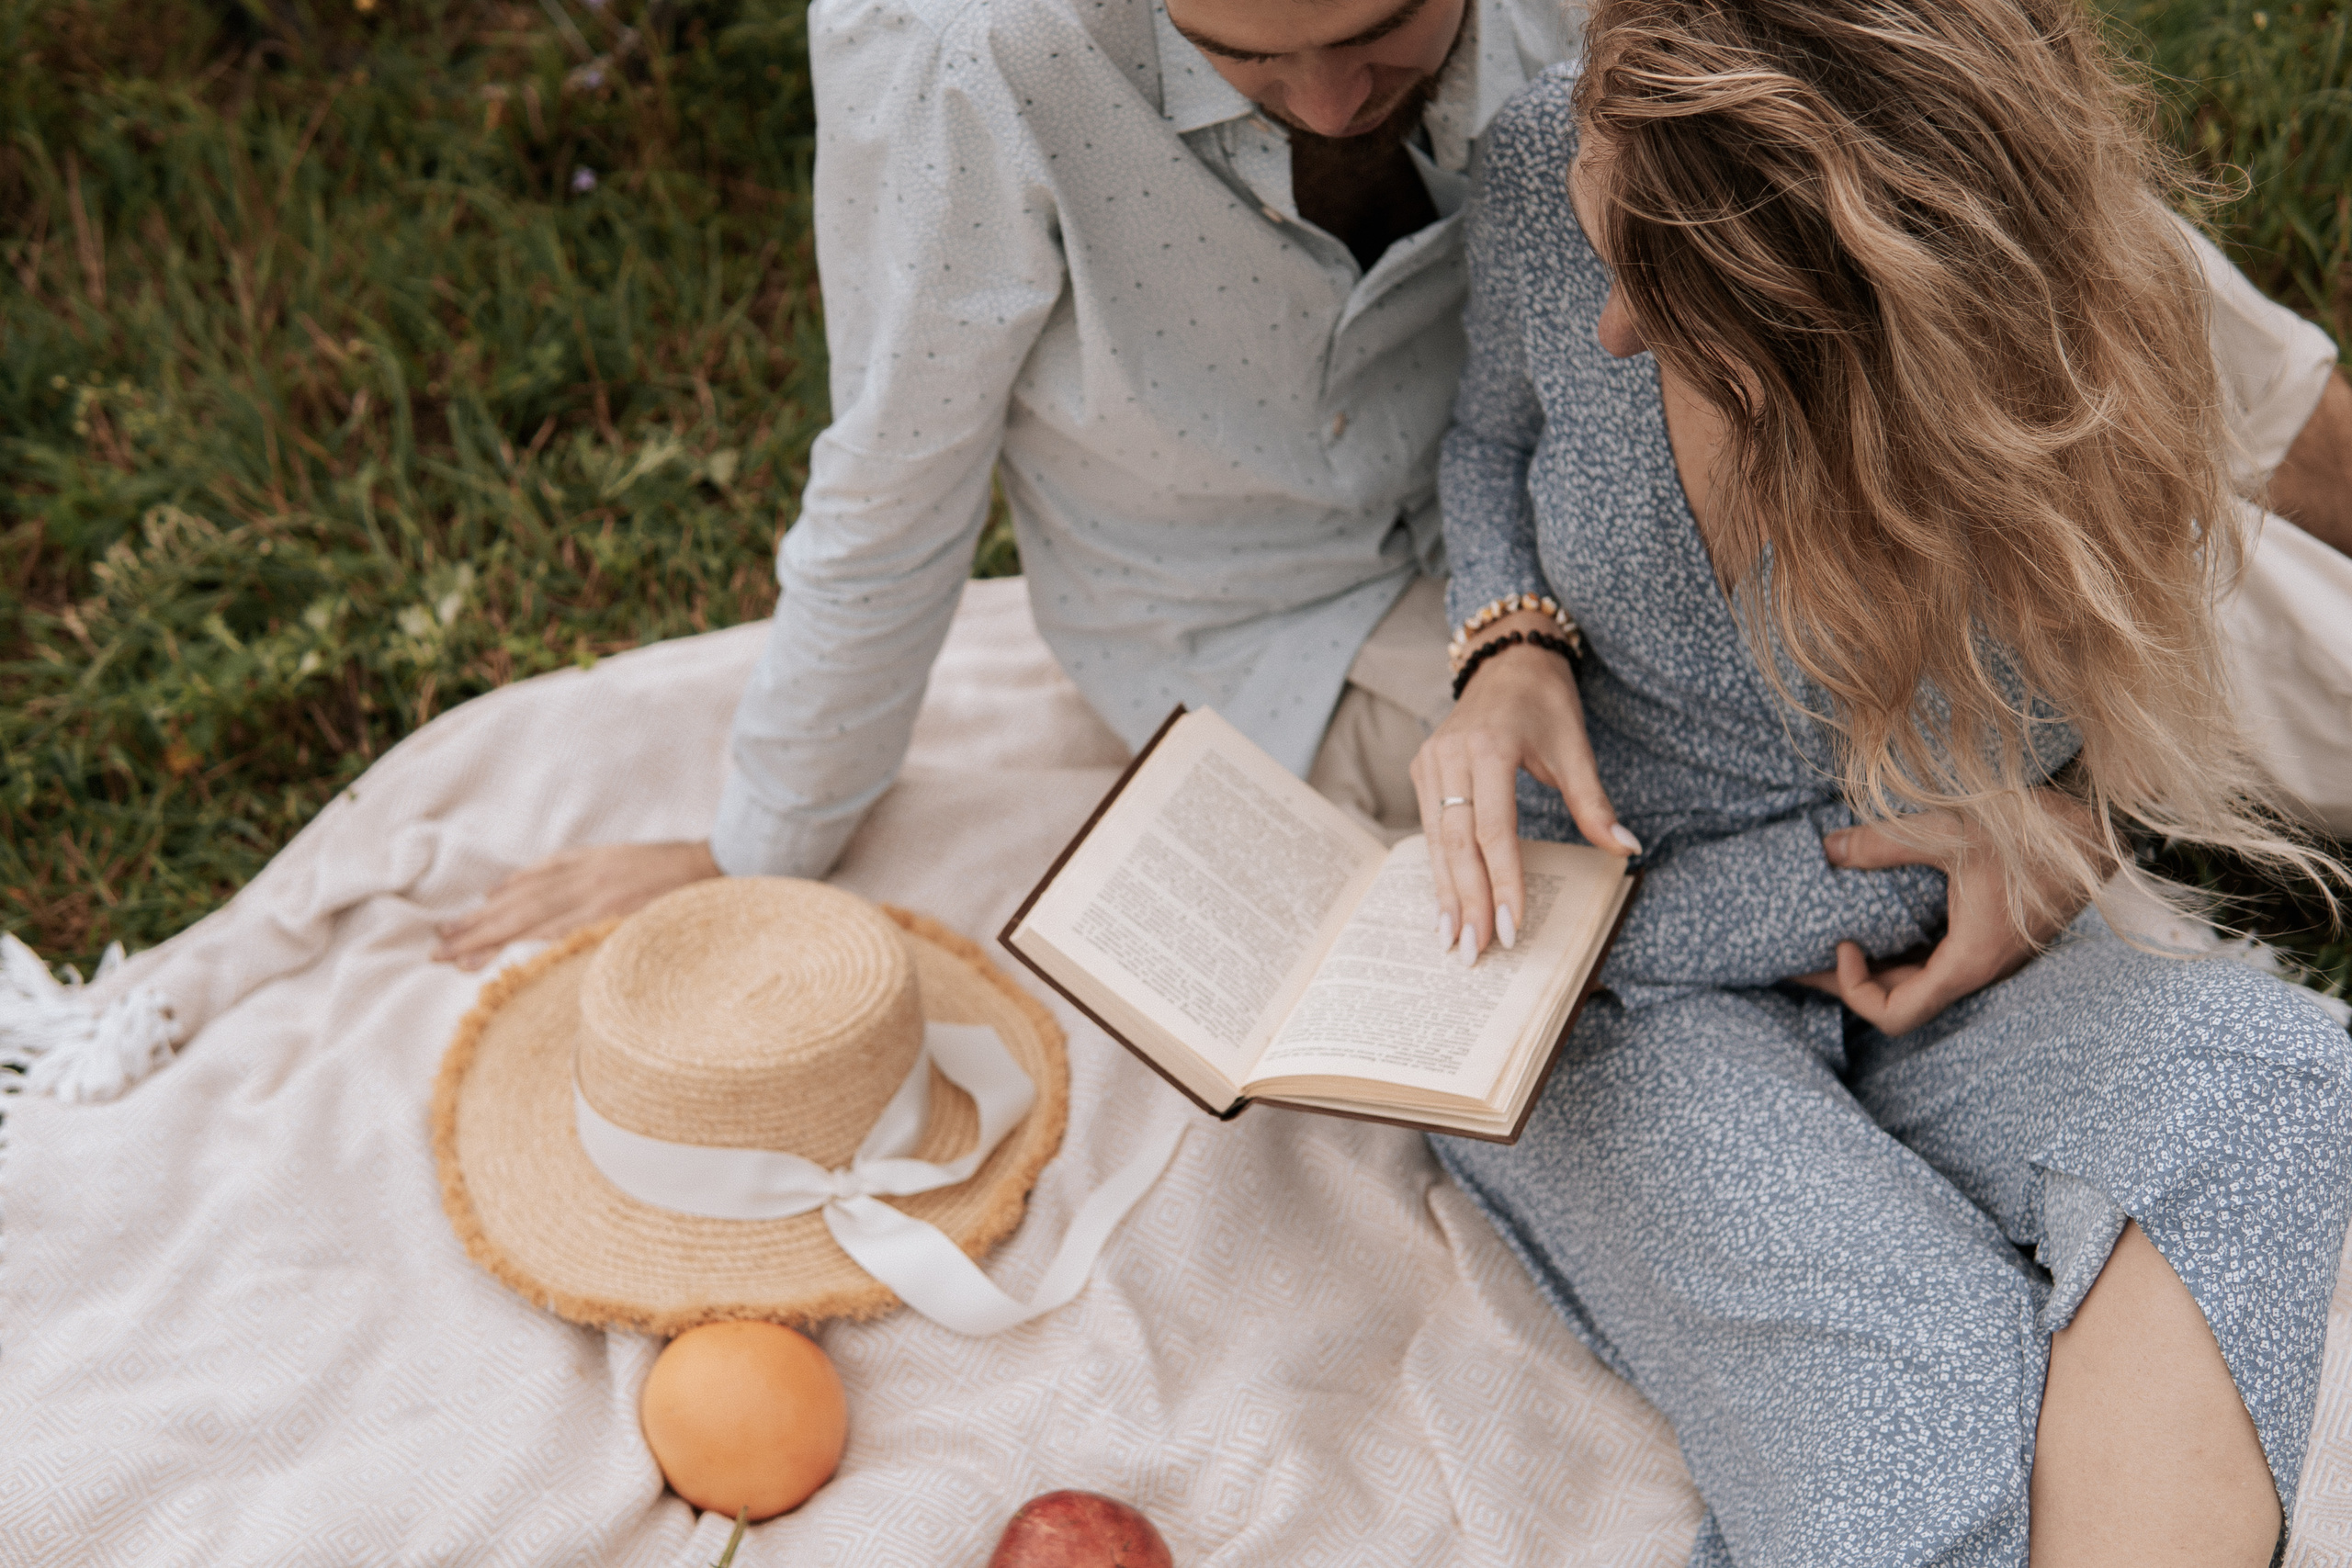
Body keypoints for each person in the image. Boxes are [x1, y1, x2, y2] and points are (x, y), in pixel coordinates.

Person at [428, 0, 2352, 972]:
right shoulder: (956, 57)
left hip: (1636, 401)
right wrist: (763, 843)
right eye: (1251, 54)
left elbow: (1946, 170)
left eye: (1387, 32)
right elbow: (891, 486)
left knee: (2080, 537)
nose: (1341, 99)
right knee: (1828, 811)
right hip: (1290, 602)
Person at [1412, 2, 2351, 1563]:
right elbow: (1483, 435)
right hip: (1619, 974)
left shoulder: (2043, 376)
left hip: (1947, 931)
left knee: (2269, 1082)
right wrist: (1504, 642)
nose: (1616, 332)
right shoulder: (1544, 170)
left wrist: (2070, 826)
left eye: (1683, 293)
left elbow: (2085, 710)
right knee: (1918, 1411)